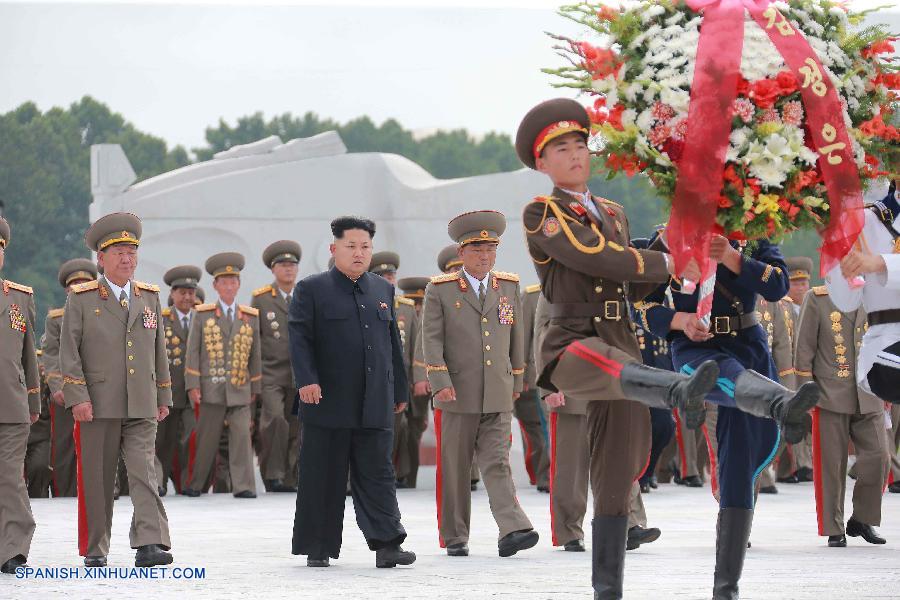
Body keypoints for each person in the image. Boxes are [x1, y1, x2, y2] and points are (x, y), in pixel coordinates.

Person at [516, 98, 717, 599]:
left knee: (618, 466)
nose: (575, 155)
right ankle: (676, 388)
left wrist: (675, 248)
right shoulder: (543, 212)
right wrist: (664, 261)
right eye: (561, 149)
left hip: (620, 339)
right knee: (614, 369)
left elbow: (633, 284)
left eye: (580, 145)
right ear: (542, 163)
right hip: (572, 341)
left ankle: (607, 587)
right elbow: (594, 257)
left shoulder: (614, 212)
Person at [637, 226, 819, 599]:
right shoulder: (669, 238)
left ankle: (726, 586)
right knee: (720, 374)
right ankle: (779, 403)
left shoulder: (751, 234)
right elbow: (640, 305)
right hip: (695, 350)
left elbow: (778, 285)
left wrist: (732, 257)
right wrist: (680, 321)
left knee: (738, 464)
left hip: (748, 346)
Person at [290, 216, 415, 569]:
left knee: (379, 474)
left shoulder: (382, 289)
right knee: (322, 476)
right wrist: (306, 380)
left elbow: (392, 345)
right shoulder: (311, 289)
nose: (359, 253)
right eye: (351, 246)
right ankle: (318, 546)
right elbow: (299, 338)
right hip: (326, 401)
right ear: (334, 249)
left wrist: (399, 389)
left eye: (365, 247)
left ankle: (388, 544)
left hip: (374, 400)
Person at [423, 210, 539, 558]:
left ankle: (513, 528)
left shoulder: (508, 286)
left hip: (498, 391)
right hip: (456, 393)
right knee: (456, 469)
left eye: (490, 249)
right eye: (477, 250)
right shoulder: (440, 290)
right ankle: (455, 536)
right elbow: (431, 339)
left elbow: (516, 336)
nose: (485, 256)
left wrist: (517, 377)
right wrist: (439, 380)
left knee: (497, 462)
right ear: (461, 253)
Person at [60, 212, 173, 568]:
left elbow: (158, 351)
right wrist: (78, 398)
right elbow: (69, 354)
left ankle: (150, 543)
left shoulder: (148, 297)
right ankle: (96, 547)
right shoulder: (82, 298)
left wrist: (163, 395)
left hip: (142, 401)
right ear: (101, 258)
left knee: (144, 471)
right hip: (98, 404)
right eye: (119, 252)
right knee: (98, 477)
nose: (127, 259)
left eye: (131, 252)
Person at [794, 284, 888, 547]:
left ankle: (862, 519)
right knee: (831, 465)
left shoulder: (876, 296)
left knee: (879, 457)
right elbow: (804, 349)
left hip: (870, 391)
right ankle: (833, 528)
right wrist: (805, 393)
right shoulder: (818, 298)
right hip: (829, 393)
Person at [183, 252, 261, 499]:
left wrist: (255, 387)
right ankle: (197, 483)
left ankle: (244, 485)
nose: (228, 286)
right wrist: (192, 384)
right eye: (224, 282)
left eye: (232, 282)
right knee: (206, 438)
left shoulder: (250, 316)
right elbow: (193, 351)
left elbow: (255, 355)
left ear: (238, 285)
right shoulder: (203, 314)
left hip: (239, 386)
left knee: (242, 437)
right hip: (211, 386)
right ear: (215, 286)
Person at [827, 179, 900, 403]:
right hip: (886, 354)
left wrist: (880, 263)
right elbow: (846, 302)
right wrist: (839, 255)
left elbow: (878, 264)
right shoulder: (864, 220)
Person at [0, 217, 40, 574]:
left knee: (9, 476)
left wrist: (33, 400)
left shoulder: (19, 298)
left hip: (12, 405)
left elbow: (29, 356)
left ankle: (14, 548)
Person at [44, 258, 97, 497]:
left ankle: (104, 489)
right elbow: (51, 355)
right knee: (65, 444)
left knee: (100, 443)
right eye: (74, 285)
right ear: (67, 290)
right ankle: (64, 491)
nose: (79, 288)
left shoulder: (104, 313)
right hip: (67, 391)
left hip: (98, 388)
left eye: (85, 283)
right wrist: (57, 386)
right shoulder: (56, 319)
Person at [252, 240, 302, 493]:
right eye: (283, 265)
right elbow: (255, 340)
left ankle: (290, 477)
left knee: (296, 425)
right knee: (274, 420)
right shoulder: (261, 299)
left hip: (300, 374)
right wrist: (255, 376)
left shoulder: (305, 296)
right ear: (273, 269)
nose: (288, 269)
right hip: (271, 372)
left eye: (292, 264)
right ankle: (273, 474)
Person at [369, 251, 419, 487]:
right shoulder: (366, 303)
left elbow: (415, 347)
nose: (388, 280)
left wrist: (416, 378)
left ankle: (394, 472)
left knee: (399, 427)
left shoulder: (406, 308)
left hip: (400, 378)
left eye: (391, 276)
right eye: (382, 276)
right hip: (374, 377)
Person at [156, 265, 201, 495]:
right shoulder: (161, 319)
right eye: (182, 292)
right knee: (161, 441)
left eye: (191, 293)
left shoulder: (202, 319)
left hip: (193, 391)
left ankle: (187, 483)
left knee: (190, 439)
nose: (187, 297)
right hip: (167, 390)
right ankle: (159, 482)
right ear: (172, 294)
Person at [398, 275, 431, 488]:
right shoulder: (402, 316)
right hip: (403, 383)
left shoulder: (429, 319)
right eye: (414, 303)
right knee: (401, 429)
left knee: (415, 430)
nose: (417, 308)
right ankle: (400, 474)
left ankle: (410, 479)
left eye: (420, 303)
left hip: (421, 386)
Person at [519, 282, 550, 492]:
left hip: (569, 372)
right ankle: (546, 475)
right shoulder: (531, 296)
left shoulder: (574, 289)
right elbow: (521, 337)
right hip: (537, 374)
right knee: (540, 428)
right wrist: (520, 374)